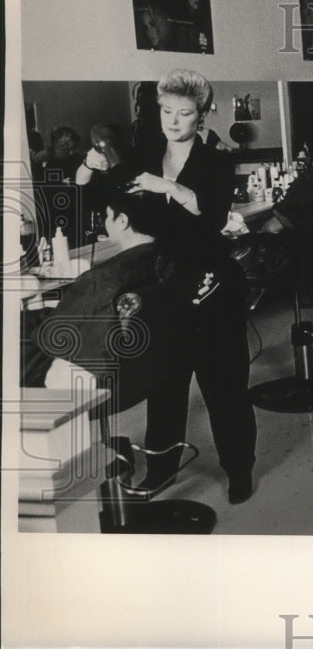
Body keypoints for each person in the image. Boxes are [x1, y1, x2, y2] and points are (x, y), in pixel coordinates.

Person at [77, 69, 256, 505]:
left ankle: (238, 472)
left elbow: (212, 215)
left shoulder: (216, 161)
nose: (174, 121)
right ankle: (161, 469)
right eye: (167, 112)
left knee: (225, 390)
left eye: (185, 113)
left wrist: (168, 186)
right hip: (163, 292)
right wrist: (88, 166)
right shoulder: (140, 155)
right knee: (165, 389)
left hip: (211, 290)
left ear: (201, 116)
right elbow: (93, 199)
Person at [21, 190, 162, 392]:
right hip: (144, 365)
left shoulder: (103, 278)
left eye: (107, 215)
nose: (105, 222)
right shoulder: (162, 261)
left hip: (89, 370)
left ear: (122, 221)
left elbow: (54, 334)